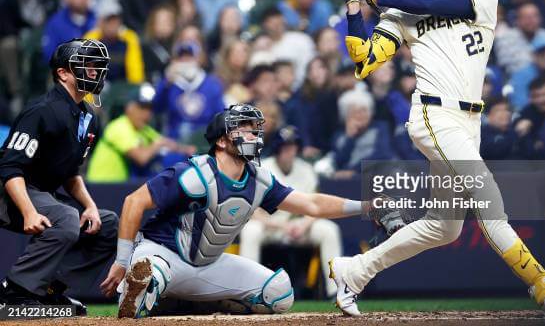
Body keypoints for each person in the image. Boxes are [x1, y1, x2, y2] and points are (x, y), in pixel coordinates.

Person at [331, 0, 545, 317]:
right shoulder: (404, 9)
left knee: (444, 227)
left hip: (470, 120)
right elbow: (366, 59)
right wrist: (355, 6)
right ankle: (542, 284)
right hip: (433, 115)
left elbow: (448, 4)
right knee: (488, 199)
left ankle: (353, 271)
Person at [99, 104, 403, 318]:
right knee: (146, 280)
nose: (253, 136)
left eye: (255, 130)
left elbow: (310, 204)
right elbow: (133, 202)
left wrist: (366, 206)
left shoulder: (260, 179)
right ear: (221, 140)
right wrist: (122, 260)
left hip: (207, 264)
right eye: (243, 130)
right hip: (162, 255)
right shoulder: (193, 172)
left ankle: (183, 303)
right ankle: (148, 289)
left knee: (281, 294)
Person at [0, 39, 117, 313]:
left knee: (109, 224)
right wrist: (29, 212)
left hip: (40, 192)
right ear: (63, 73)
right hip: (7, 190)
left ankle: (45, 288)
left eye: (97, 66)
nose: (94, 71)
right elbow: (9, 167)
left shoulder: (88, 116)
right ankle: (14, 290)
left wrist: (90, 207)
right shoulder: (41, 110)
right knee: (65, 218)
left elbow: (70, 172)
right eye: (87, 65)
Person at [239, 126, 342, 298]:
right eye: (285, 147)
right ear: (277, 148)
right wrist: (279, 224)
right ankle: (248, 292)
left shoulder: (306, 170)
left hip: (298, 226)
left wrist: (303, 224)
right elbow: (252, 210)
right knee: (251, 230)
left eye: (293, 146)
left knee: (329, 229)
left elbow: (315, 205)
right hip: (270, 225)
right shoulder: (261, 168)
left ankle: (336, 291)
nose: (290, 150)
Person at [87, 84, 195, 183]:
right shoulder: (118, 127)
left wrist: (185, 150)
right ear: (129, 108)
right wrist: (158, 144)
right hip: (100, 186)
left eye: (149, 108)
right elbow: (141, 158)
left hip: (118, 186)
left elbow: (165, 142)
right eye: (142, 108)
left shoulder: (143, 129)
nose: (147, 114)